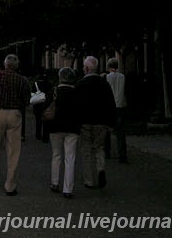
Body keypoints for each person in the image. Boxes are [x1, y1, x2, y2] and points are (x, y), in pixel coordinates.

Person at [0, 54, 29, 196]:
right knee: (13, 150)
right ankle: (10, 185)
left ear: (5, 64)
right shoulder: (22, 80)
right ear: (17, 65)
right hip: (15, 114)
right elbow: (26, 100)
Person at [76, 56, 117, 189]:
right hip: (101, 122)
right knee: (99, 148)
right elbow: (111, 103)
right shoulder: (104, 84)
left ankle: (89, 180)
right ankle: (100, 169)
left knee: (86, 149)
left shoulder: (81, 84)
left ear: (87, 68)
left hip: (85, 122)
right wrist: (111, 122)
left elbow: (76, 105)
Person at [48, 67, 80, 199]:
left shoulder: (54, 91)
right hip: (72, 128)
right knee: (70, 158)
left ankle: (55, 182)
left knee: (56, 155)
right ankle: (68, 188)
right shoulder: (77, 92)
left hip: (55, 127)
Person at [104, 57, 128, 163]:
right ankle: (122, 154)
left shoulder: (107, 77)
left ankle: (107, 152)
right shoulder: (122, 76)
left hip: (110, 106)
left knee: (107, 130)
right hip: (120, 105)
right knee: (120, 132)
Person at [32, 68, 53, 143]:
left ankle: (38, 134)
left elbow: (32, 93)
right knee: (46, 121)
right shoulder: (49, 84)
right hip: (46, 104)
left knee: (38, 120)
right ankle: (45, 137)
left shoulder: (35, 84)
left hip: (37, 104)